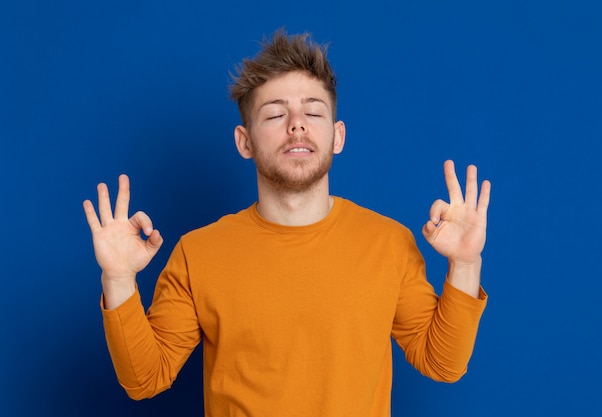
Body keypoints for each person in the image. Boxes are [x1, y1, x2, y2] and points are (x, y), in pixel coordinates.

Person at [83, 29, 491, 417]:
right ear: (245, 141)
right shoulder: (198, 253)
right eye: (276, 114)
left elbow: (443, 363)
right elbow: (144, 378)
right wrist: (118, 279)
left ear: (337, 136)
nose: (297, 124)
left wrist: (466, 264)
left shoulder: (389, 243)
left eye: (313, 112)